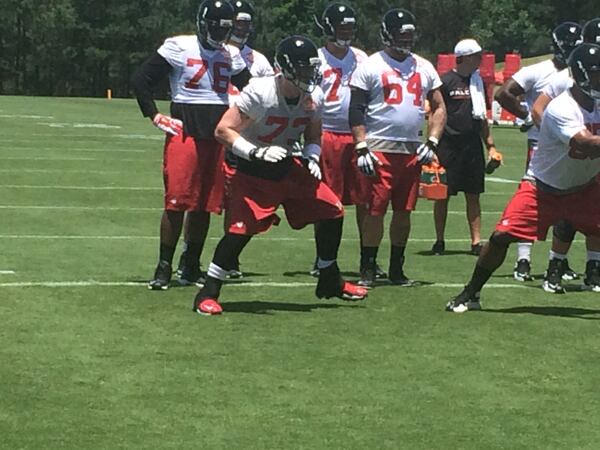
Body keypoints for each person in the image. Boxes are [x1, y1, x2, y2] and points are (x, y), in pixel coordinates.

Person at [192, 35, 368, 316]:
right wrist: (255, 152)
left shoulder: (314, 96)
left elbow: (313, 132)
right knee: (240, 231)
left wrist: (311, 155)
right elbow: (223, 130)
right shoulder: (261, 92)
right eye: (302, 68)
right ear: (284, 68)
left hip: (287, 164)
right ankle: (208, 291)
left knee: (332, 210)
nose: (309, 75)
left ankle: (328, 278)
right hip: (252, 170)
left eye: (311, 68)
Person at [446, 43, 600, 313]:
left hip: (585, 188)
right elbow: (586, 144)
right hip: (543, 188)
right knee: (501, 236)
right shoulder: (562, 107)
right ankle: (470, 293)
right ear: (582, 74)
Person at [131, 0, 251, 291]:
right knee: (176, 202)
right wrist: (154, 114)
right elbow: (141, 79)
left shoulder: (231, 54)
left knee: (205, 205)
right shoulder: (179, 46)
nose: (220, 35)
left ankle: (191, 264)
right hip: (185, 133)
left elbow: (250, 89)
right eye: (216, 27)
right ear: (203, 23)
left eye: (225, 29)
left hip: (217, 136)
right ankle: (163, 266)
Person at [177, 0, 275, 281]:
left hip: (246, 135)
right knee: (201, 199)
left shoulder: (259, 60)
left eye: (244, 22)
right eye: (236, 22)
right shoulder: (215, 50)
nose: (240, 27)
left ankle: (228, 257)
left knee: (236, 199)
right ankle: (189, 255)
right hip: (219, 130)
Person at [348, 8, 446, 287]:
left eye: (410, 35)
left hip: (412, 149)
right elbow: (356, 108)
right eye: (401, 34)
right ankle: (367, 267)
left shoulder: (424, 66)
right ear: (387, 34)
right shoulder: (370, 65)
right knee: (375, 211)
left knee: (404, 211)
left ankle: (396, 269)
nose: (406, 40)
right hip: (379, 147)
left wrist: (433, 140)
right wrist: (361, 145)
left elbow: (439, 106)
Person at [495, 22, 582, 283]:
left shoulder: (581, 73)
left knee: (570, 202)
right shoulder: (539, 71)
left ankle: (560, 261)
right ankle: (523, 260)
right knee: (534, 203)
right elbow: (504, 93)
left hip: (572, 144)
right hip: (542, 145)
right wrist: (526, 115)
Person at [309, 3, 375, 277]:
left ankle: (367, 260)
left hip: (359, 134)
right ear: (328, 28)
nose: (346, 32)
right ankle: (324, 259)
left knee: (365, 200)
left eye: (349, 27)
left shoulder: (361, 57)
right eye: (341, 27)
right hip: (327, 132)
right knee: (327, 199)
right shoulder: (316, 58)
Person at [431, 39, 500, 256]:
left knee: (473, 194)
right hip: (448, 144)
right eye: (477, 55)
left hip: (471, 145)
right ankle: (439, 240)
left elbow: (482, 119)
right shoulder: (445, 81)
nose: (480, 59)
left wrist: (490, 146)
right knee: (443, 195)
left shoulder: (479, 83)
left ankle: (475, 242)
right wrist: (432, 144)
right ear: (465, 57)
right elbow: (435, 112)